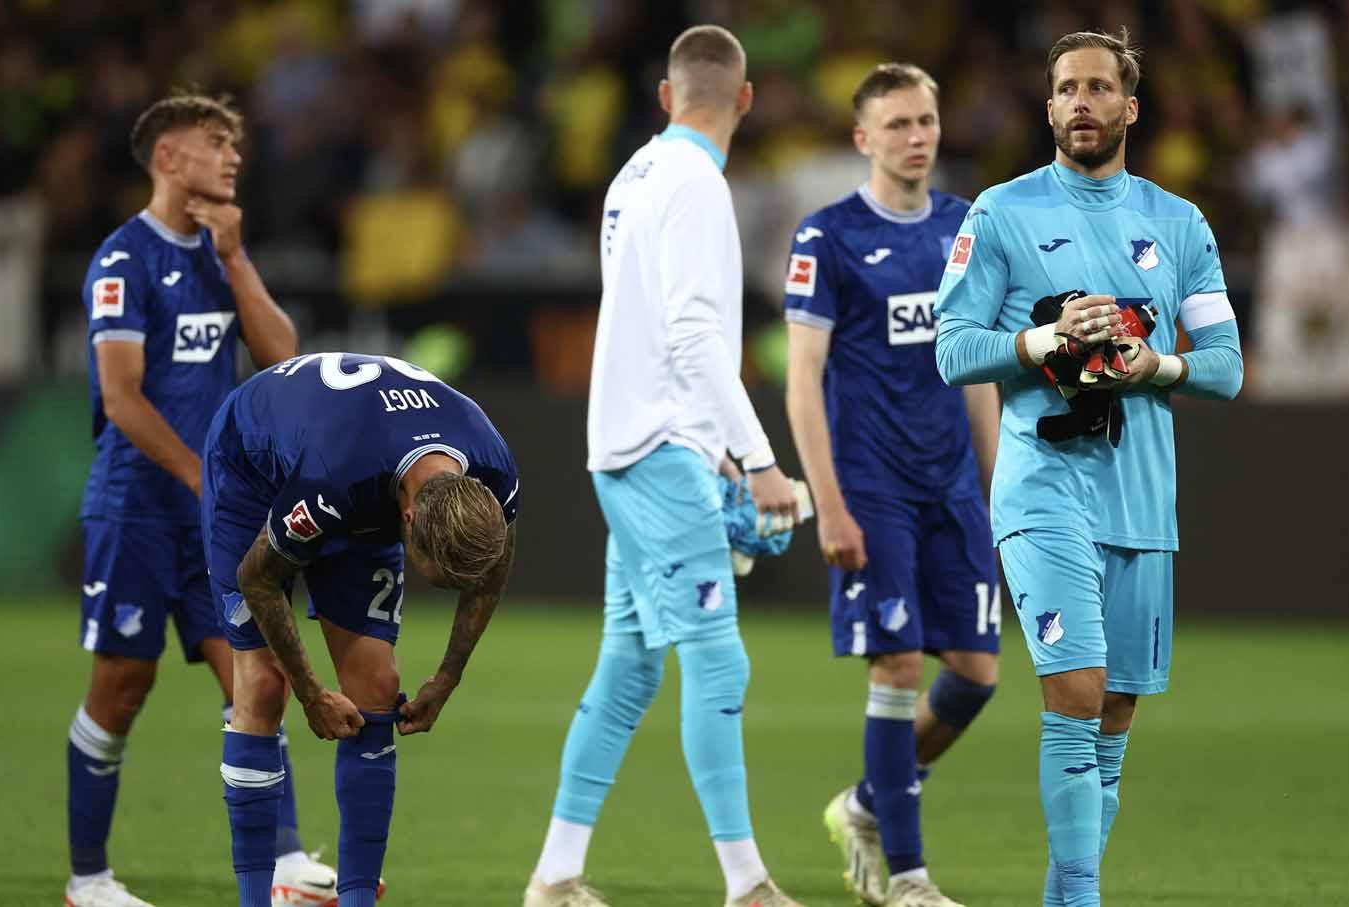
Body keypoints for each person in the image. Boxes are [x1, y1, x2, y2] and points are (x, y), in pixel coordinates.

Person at [932, 30, 1243, 907]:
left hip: (1141, 499)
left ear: (1129, 107)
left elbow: (1227, 364)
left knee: (1113, 717)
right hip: (1042, 487)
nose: (1081, 102)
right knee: (1075, 690)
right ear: (1048, 106)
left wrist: (1160, 366)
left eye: (1099, 88)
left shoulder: (1179, 224)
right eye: (1066, 88)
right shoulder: (1000, 211)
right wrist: (1046, 339)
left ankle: (1063, 894)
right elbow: (954, 351)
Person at [524, 25, 805, 907]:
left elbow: (652, 326)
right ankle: (748, 885)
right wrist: (756, 460)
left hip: (643, 441)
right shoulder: (695, 185)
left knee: (632, 668)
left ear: (664, 96)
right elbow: (687, 333)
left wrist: (713, 443)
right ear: (746, 98)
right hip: (656, 453)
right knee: (718, 666)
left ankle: (554, 875)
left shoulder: (637, 174)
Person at [67, 93, 327, 907]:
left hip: (205, 518)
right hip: (136, 510)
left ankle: (283, 865)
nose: (232, 156)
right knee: (121, 688)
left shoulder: (220, 255)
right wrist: (203, 477)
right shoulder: (122, 262)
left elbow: (282, 355)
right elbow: (122, 398)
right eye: (216, 143)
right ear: (168, 158)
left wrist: (239, 258)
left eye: (235, 145)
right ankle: (89, 879)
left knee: (259, 678)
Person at [781, 63, 1002, 907]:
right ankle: (907, 877)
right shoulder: (827, 238)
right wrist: (826, 500)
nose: (917, 137)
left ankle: (870, 801)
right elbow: (804, 380)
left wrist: (994, 489)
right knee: (901, 661)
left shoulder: (966, 229)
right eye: (898, 124)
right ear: (862, 138)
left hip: (951, 486)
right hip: (872, 487)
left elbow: (978, 369)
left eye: (926, 121)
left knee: (977, 675)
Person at [202, 351, 518, 907]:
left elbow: (489, 580)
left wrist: (446, 679)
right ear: (411, 521)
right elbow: (259, 579)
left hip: (367, 482)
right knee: (261, 684)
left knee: (375, 683)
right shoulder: (333, 472)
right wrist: (311, 693)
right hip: (254, 466)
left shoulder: (494, 471)